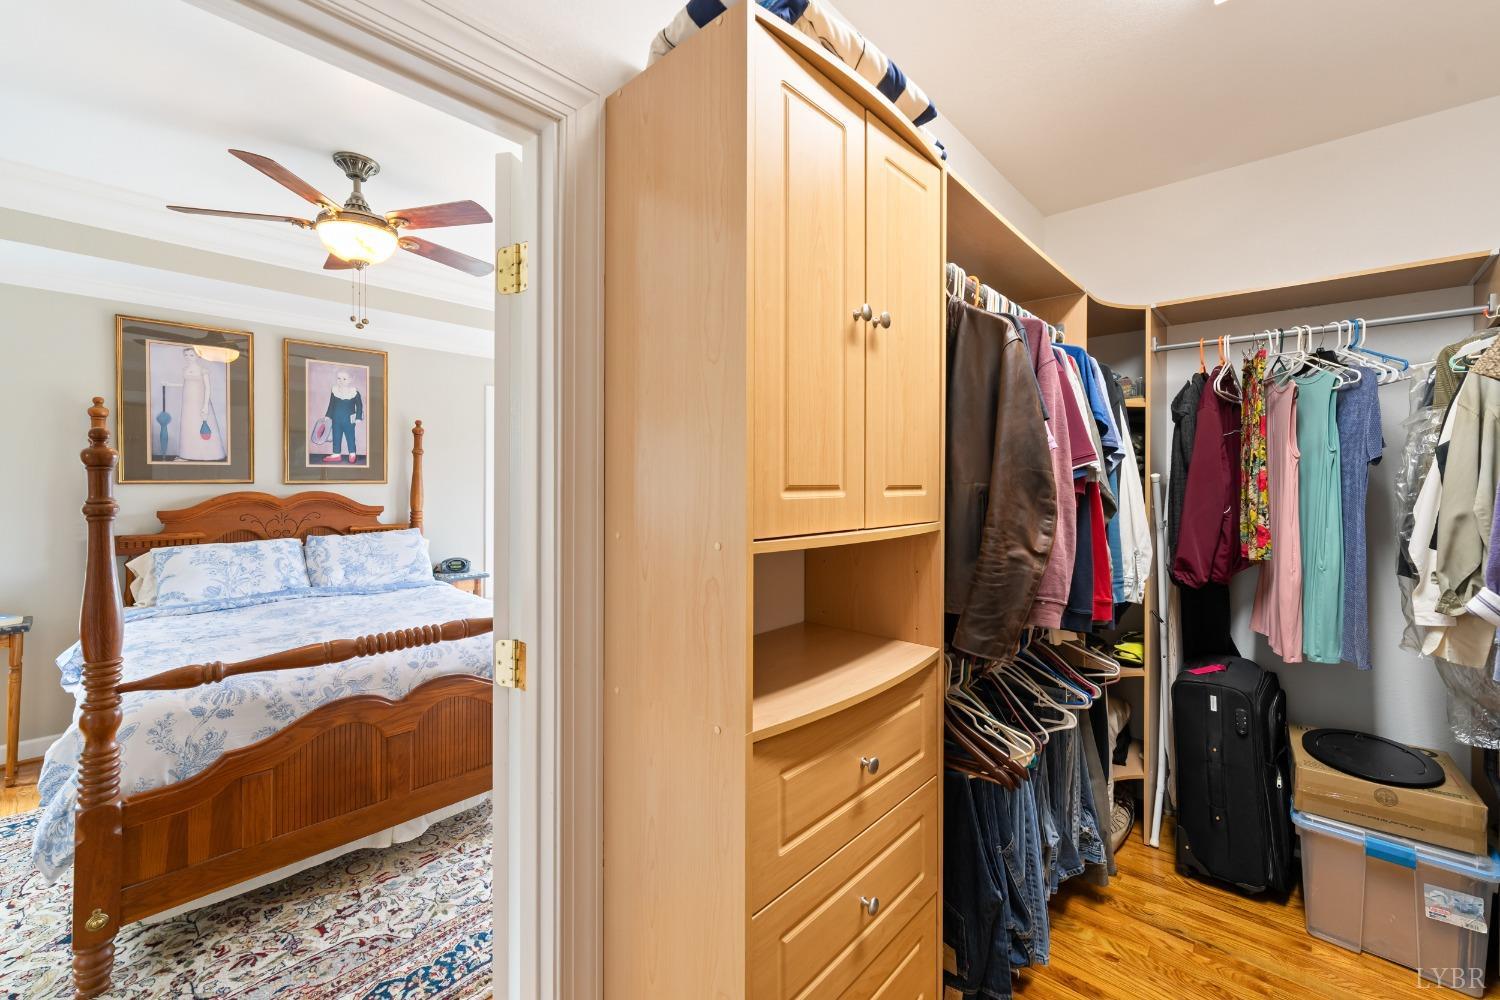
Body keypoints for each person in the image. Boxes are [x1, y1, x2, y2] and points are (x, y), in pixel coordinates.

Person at [176, 348, 227, 462]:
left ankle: (208, 455)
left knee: (201, 426)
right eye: (186, 355)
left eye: (192, 355)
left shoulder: (203, 370)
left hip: (199, 401)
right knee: (189, 426)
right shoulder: (184, 369)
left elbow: (208, 388)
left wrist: (205, 406)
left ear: (198, 356)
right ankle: (188, 454)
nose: (189, 357)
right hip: (188, 404)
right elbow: (185, 384)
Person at [322, 369, 364, 463]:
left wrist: (358, 417)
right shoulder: (334, 390)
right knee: (336, 435)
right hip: (336, 419)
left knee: (350, 436)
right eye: (339, 378)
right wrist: (328, 415)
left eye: (344, 379)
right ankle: (336, 454)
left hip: (349, 420)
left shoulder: (354, 393)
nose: (341, 381)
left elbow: (359, 406)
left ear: (350, 380)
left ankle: (352, 453)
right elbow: (331, 404)